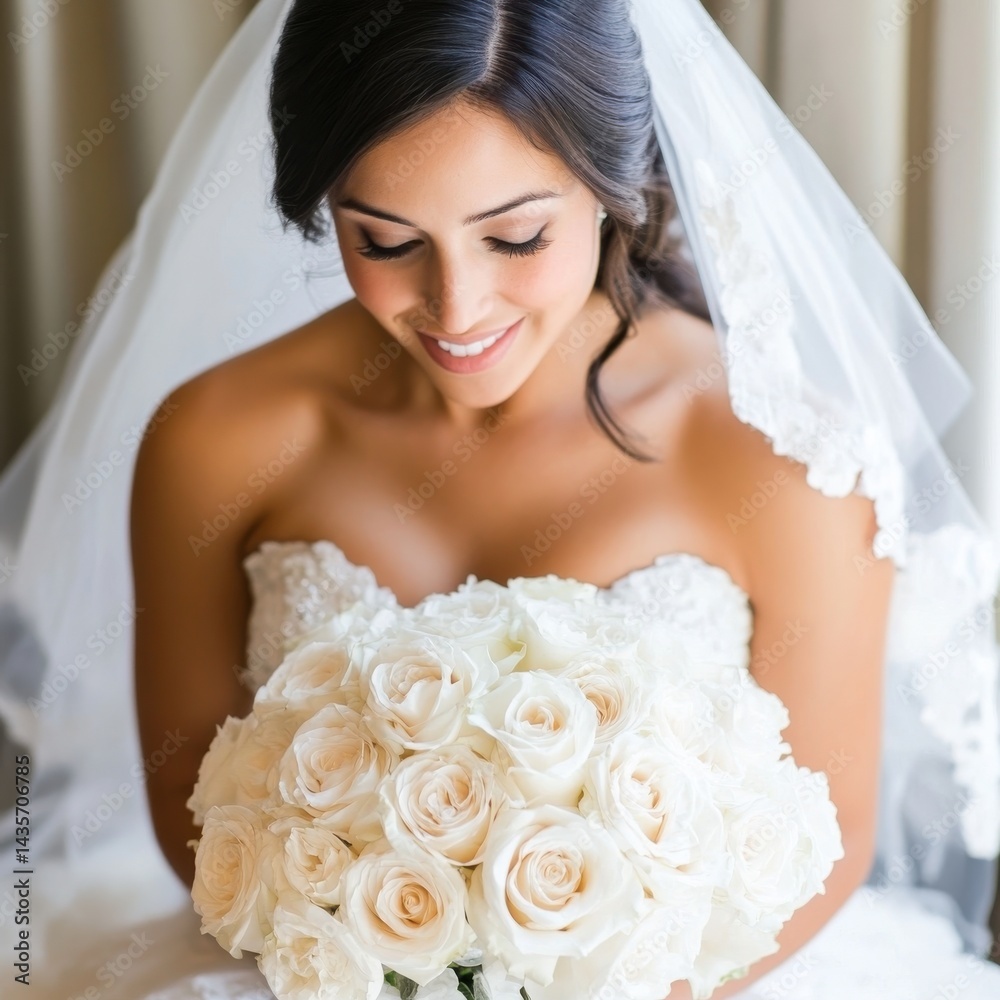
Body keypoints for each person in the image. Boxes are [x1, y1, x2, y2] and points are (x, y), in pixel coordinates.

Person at [2, 1, 998, 998]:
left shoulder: (786, 459)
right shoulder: (217, 440)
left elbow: (827, 831)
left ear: (613, 188)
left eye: (516, 237)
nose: (456, 308)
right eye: (385, 242)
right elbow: (191, 802)